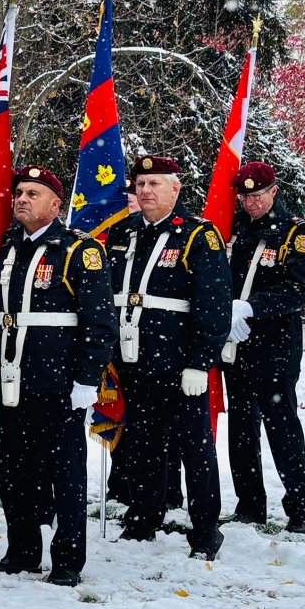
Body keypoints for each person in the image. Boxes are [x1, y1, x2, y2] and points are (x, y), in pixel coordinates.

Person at [0, 166, 116, 586]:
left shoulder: (78, 251)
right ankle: (21, 550)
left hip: (58, 382)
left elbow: (100, 322)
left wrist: (87, 380)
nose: (20, 199)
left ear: (56, 204)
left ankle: (68, 559)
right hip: (8, 378)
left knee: (65, 472)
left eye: (32, 193)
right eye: (18, 192)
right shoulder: (1, 248)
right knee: (13, 469)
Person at [106, 155, 231, 559]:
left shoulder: (197, 236)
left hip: (180, 366)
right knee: (142, 445)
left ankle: (206, 530)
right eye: (140, 185)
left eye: (155, 184)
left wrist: (200, 361)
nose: (145, 191)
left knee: (194, 449)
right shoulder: (122, 234)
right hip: (134, 362)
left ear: (175, 189)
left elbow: (213, 306)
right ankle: (144, 518)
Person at [220, 162, 305, 533]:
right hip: (236, 345)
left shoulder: (294, 234)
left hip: (275, 347)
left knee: (282, 428)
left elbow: (299, 289)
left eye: (257, 195)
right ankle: (249, 505)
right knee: (242, 429)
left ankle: (298, 510)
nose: (250, 203)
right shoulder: (235, 229)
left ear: (274, 191)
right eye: (244, 197)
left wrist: (252, 307)